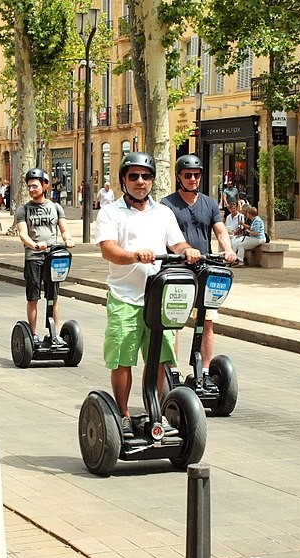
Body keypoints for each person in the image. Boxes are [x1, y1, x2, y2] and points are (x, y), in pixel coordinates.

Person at [95, 152, 200, 439]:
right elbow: (108, 249)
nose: (140, 181)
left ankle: (153, 412)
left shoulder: (163, 212)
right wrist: (133, 256)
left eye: (146, 176)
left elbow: (176, 242)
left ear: (152, 180)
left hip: (158, 297)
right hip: (124, 297)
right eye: (134, 176)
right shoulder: (110, 213)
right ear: (123, 180)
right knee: (122, 359)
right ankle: (123, 414)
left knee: (160, 360)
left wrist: (186, 250)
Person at [161, 154, 237, 391]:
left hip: (205, 269)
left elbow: (221, 231)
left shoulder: (210, 203)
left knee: (207, 322)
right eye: (188, 175)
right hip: (177, 271)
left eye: (196, 175)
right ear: (178, 177)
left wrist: (228, 250)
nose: (193, 179)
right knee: (173, 322)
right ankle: (171, 370)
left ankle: (203, 372)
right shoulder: (167, 205)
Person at [13, 168, 75, 344]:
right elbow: (23, 234)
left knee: (53, 297)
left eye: (35, 186)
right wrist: (34, 245)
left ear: (44, 185)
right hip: (33, 258)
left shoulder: (55, 207)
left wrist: (68, 239)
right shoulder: (23, 209)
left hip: (53, 258)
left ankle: (54, 334)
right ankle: (33, 334)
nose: (32, 190)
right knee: (33, 297)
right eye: (29, 187)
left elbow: (64, 229)